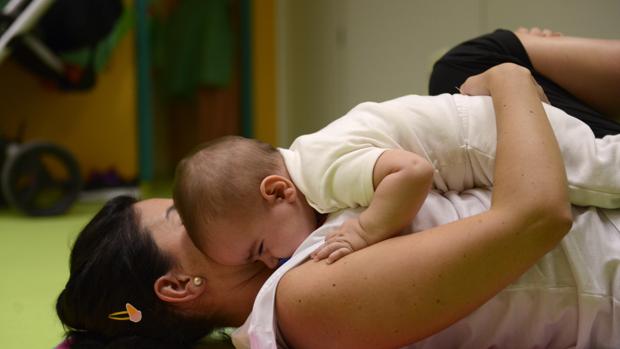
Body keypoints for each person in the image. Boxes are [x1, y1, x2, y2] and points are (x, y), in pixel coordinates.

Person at [55, 28, 620, 349]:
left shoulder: (290, 255)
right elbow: (537, 217)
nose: (197, 210)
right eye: (180, 217)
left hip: (560, 188)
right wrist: (507, 79)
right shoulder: (303, 298)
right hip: (590, 221)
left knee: (454, 71)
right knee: (488, 59)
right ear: (177, 286)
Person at [173, 36, 620, 270]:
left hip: (498, 138)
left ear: (277, 191)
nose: (271, 262)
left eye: (260, 250)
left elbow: (412, 171)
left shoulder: (322, 172)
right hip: (496, 128)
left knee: (602, 170)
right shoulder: (312, 161)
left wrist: (367, 231)